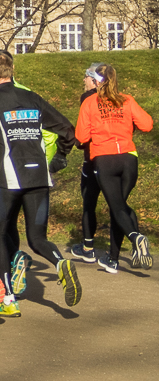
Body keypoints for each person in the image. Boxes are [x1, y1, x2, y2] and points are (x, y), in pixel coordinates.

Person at [0, 50, 79, 317]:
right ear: (12, 70)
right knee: (38, 238)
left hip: (6, 179)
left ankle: (8, 300)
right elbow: (67, 130)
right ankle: (60, 262)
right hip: (39, 177)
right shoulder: (32, 98)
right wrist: (59, 159)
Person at [74, 63, 153, 272]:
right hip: (129, 158)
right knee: (120, 207)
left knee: (117, 208)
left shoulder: (90, 102)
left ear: (96, 81)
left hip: (105, 158)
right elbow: (147, 124)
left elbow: (81, 137)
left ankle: (136, 237)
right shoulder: (127, 100)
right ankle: (113, 259)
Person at [70, 63, 110, 264]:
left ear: (95, 81)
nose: (83, 80)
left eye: (86, 76)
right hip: (117, 156)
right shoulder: (116, 97)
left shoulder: (88, 98)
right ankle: (122, 246)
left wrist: (78, 141)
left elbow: (83, 131)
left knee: (89, 202)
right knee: (117, 204)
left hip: (93, 156)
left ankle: (88, 247)